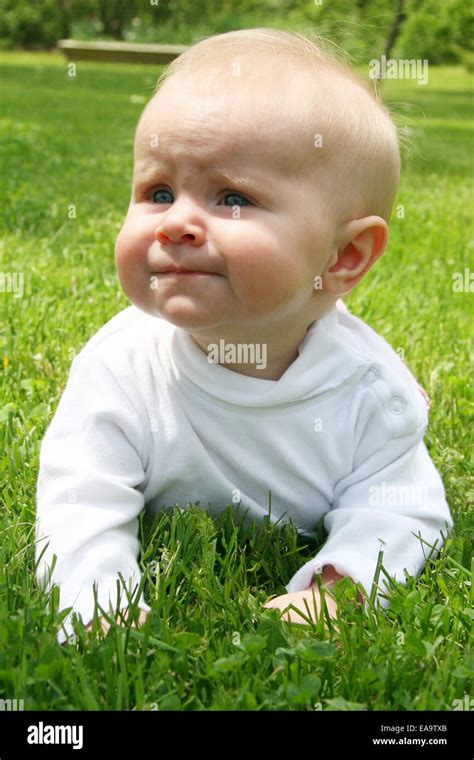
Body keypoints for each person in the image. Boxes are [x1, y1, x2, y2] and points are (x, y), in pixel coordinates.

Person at [35, 28, 453, 643]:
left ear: (344, 256)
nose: (177, 222)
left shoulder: (369, 391)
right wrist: (97, 598)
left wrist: (340, 586)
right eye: (157, 192)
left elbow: (402, 507)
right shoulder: (121, 368)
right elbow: (80, 493)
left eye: (232, 197)